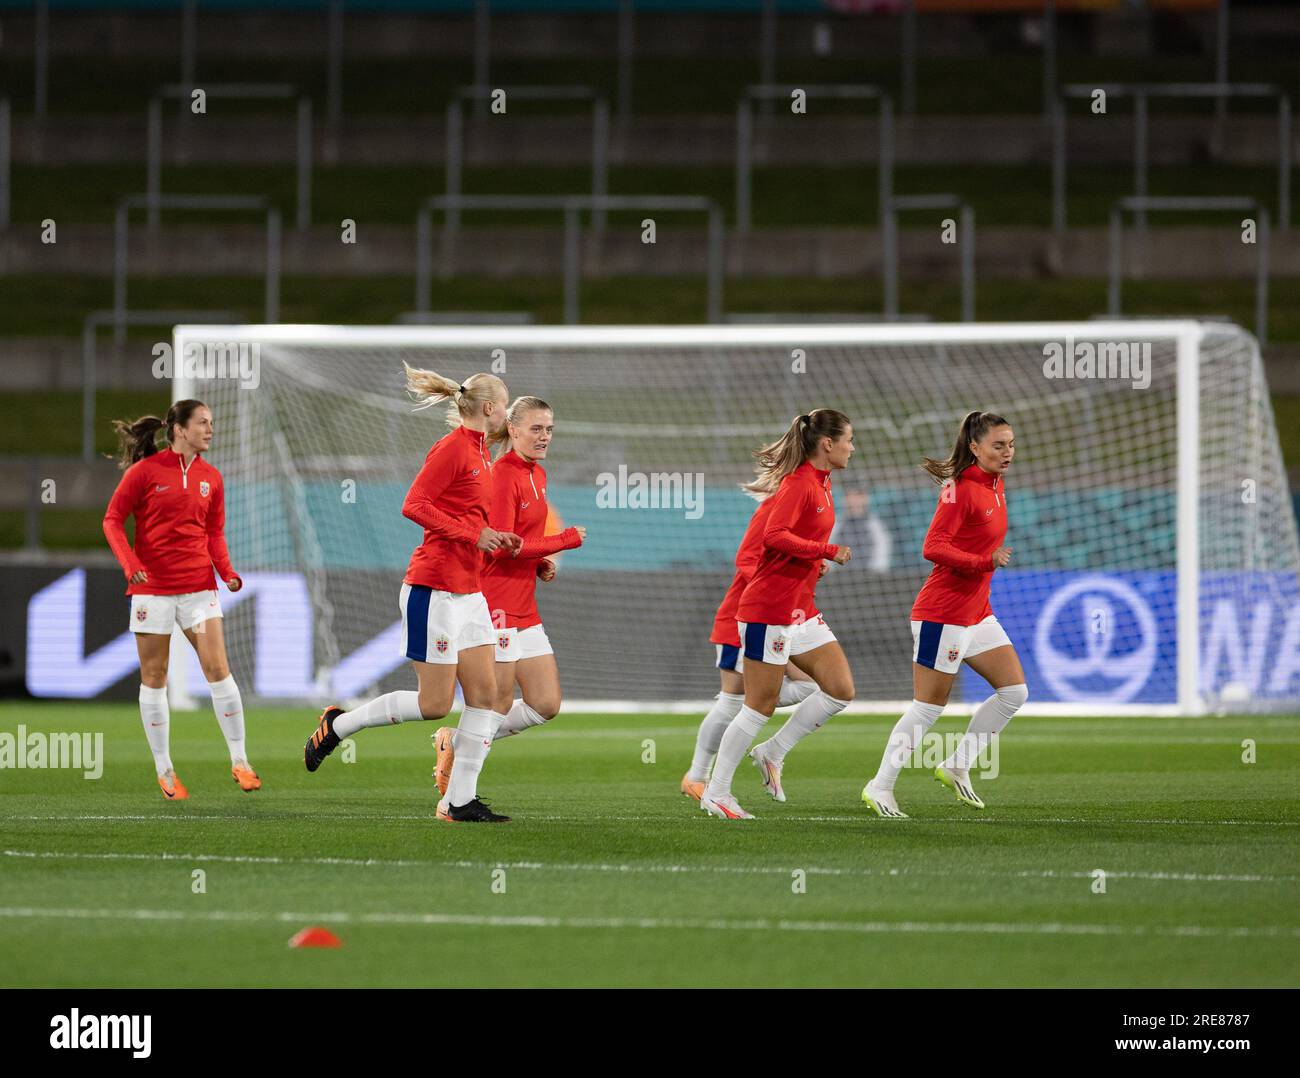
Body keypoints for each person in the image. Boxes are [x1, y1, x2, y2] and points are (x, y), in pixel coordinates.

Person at [303, 365, 522, 824]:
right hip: (434, 590)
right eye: (505, 403)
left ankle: (458, 801)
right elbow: (414, 505)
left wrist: (492, 537)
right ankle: (338, 725)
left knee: (486, 697)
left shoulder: (482, 451)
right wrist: (472, 535)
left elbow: (468, 518)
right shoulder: (453, 449)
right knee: (435, 705)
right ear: (489, 408)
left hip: (470, 592)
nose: (509, 410)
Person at [861, 410, 1027, 818]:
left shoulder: (996, 484)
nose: (1008, 452)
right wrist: (981, 559)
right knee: (929, 707)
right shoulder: (960, 488)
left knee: (1014, 692)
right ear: (975, 447)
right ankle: (879, 786)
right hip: (943, 612)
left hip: (976, 613)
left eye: (1011, 444)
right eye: (998, 445)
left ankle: (957, 765)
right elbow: (932, 546)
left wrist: (982, 564)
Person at [699, 410, 857, 821]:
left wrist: (812, 564)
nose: (851, 448)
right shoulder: (800, 483)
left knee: (839, 689)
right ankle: (715, 792)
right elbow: (773, 536)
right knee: (757, 706)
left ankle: (773, 750)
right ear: (827, 444)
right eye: (848, 440)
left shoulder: (822, 484)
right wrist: (825, 552)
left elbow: (789, 542)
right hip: (769, 610)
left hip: (801, 610)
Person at [103, 400, 257, 800]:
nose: (210, 429)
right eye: (202, 423)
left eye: (212, 423)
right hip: (152, 591)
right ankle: (165, 769)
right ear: (179, 430)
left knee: (218, 669)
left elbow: (214, 533)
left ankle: (240, 760)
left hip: (198, 591)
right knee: (155, 677)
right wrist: (129, 563)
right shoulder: (145, 473)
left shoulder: (212, 478)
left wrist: (227, 572)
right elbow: (112, 519)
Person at [431, 396, 586, 793]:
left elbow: (524, 539)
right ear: (513, 430)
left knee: (545, 704)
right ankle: (459, 797)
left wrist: (538, 563)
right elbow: (499, 543)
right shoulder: (502, 475)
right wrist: (563, 541)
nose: (544, 436)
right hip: (496, 604)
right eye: (536, 429)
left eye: (549, 429)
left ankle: (456, 741)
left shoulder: (537, 474)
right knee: (494, 704)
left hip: (524, 605)